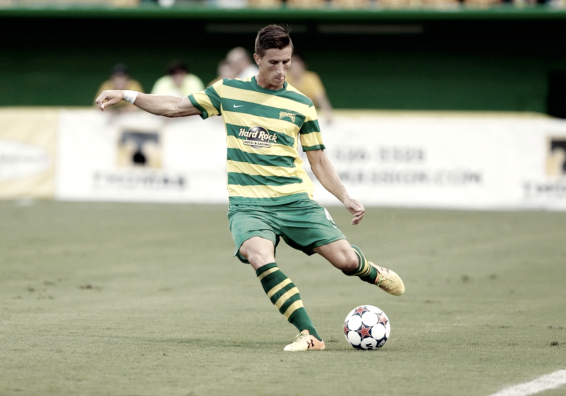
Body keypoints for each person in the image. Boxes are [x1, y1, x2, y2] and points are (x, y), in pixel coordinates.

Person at [95, 24, 404, 352]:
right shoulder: (228, 91)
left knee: (345, 262)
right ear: (257, 59)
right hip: (248, 204)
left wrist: (346, 196)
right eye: (274, 62)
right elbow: (175, 106)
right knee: (258, 255)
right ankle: (309, 334)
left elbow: (319, 160)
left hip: (294, 200)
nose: (282, 70)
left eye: (286, 61)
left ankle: (370, 271)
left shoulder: (301, 104)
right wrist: (127, 95)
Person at [286, 53, 334, 123]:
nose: (295, 66)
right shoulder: (284, 79)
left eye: (297, 63)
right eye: (292, 63)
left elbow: (320, 98)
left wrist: (328, 114)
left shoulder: (311, 78)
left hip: (308, 116)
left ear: (303, 64)